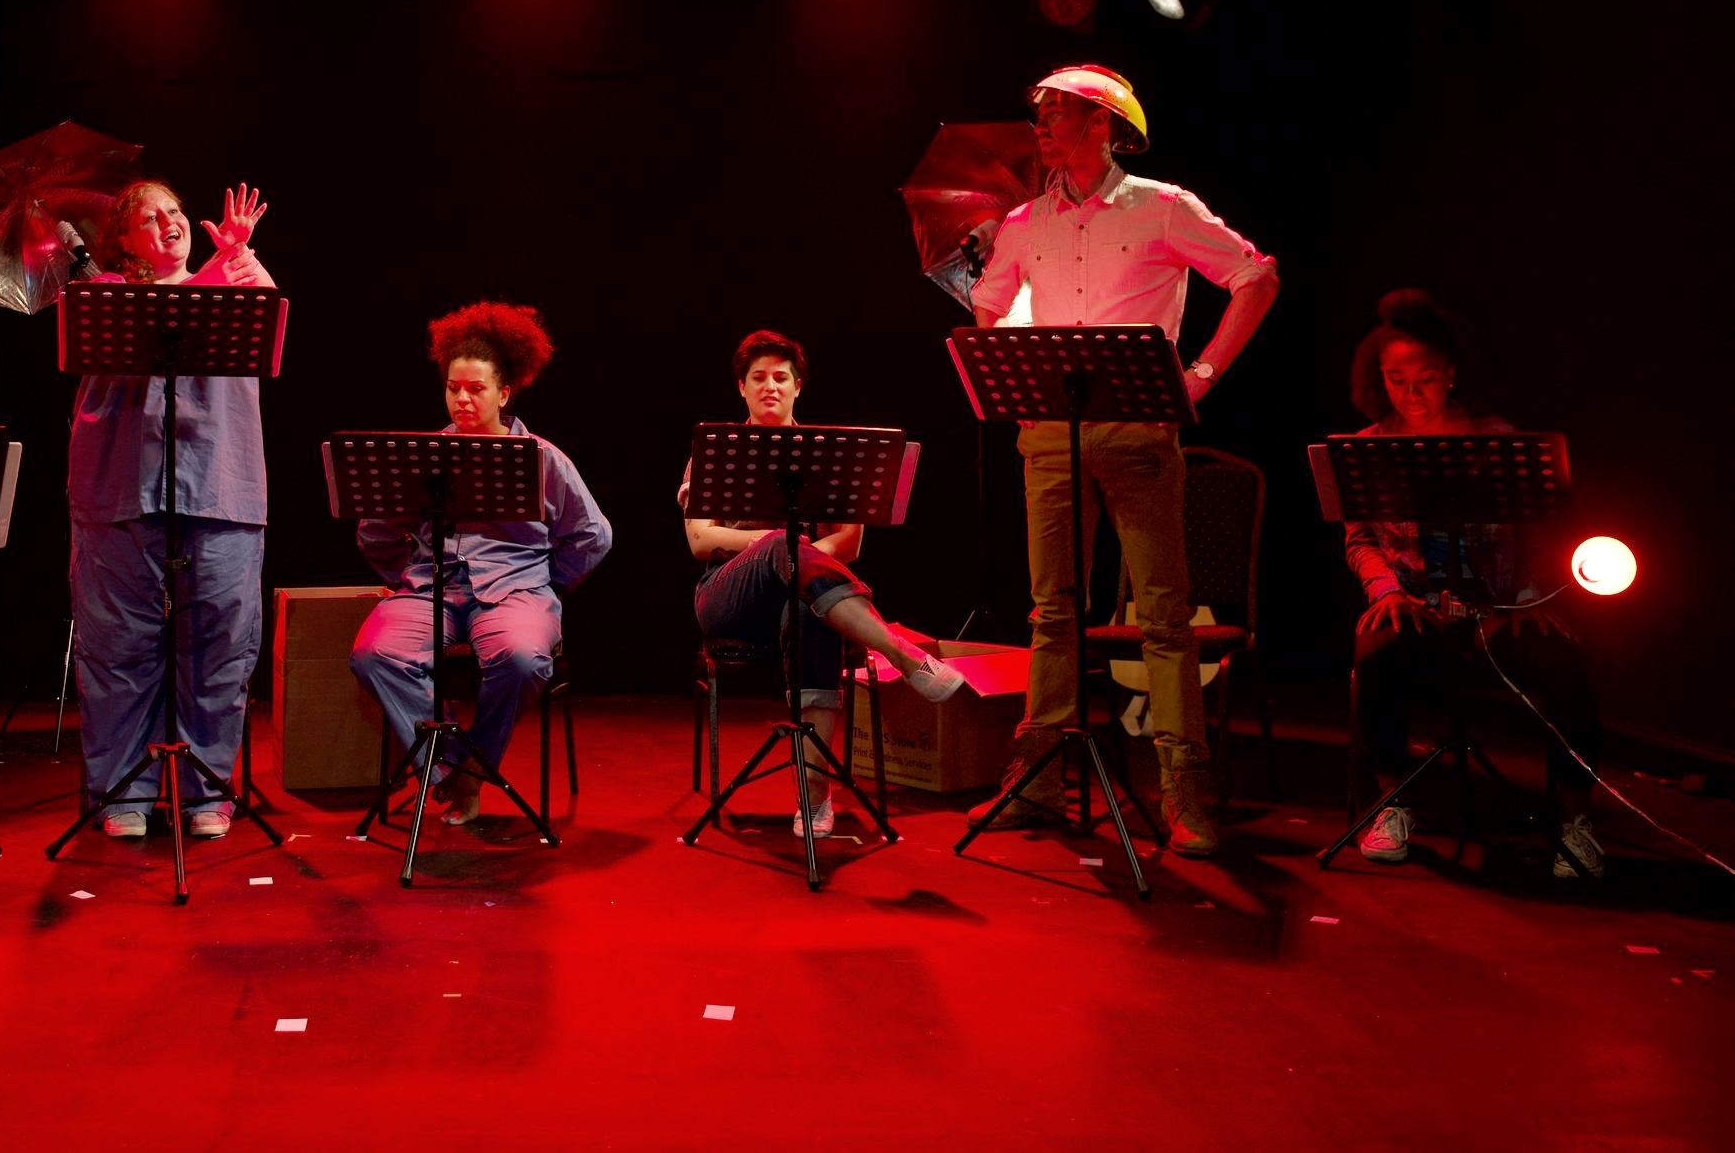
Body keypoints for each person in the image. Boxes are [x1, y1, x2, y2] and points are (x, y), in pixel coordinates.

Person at [968, 64, 1279, 856]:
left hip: (1139, 429)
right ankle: (1037, 777)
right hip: (1048, 432)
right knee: (1052, 610)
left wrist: (1202, 372)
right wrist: (996, 285)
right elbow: (987, 308)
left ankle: (1184, 789)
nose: (1040, 124)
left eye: (1057, 112)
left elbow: (1256, 275)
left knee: (1163, 614)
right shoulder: (1023, 221)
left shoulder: (1162, 207)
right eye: (1037, 111)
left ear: (1103, 123)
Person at [1341, 289, 1606, 878]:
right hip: (1420, 608)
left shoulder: (1497, 438)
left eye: (1427, 379)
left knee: (1566, 665)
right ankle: (1392, 804)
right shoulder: (1368, 449)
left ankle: (1574, 823)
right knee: (1378, 655)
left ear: (1452, 374)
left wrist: (1529, 599)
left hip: (1499, 611)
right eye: (1396, 380)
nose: (1412, 394)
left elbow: (1541, 527)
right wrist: (1385, 592)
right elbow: (1360, 538)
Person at [683, 330, 966, 836]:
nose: (770, 386)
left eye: (781, 377)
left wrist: (797, 558)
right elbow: (702, 541)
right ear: (741, 389)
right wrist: (781, 546)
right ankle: (900, 651)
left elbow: (851, 545)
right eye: (758, 378)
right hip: (729, 597)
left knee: (814, 614)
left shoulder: (833, 453)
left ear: (797, 388)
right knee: (780, 544)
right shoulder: (716, 449)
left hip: (812, 598)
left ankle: (813, 801)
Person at [351, 303, 612, 825]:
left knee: (521, 659)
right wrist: (408, 574)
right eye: (454, 388)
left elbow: (593, 535)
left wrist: (545, 583)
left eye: (476, 389)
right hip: (431, 589)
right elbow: (374, 531)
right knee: (374, 653)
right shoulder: (423, 456)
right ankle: (451, 769)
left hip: (516, 593)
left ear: (504, 393)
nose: (462, 399)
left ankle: (474, 769)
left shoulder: (541, 456)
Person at [69, 180, 275, 840]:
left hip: (221, 484)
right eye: (148, 218)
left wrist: (235, 262)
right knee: (117, 647)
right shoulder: (103, 295)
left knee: (221, 642)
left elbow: (270, 336)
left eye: (176, 212)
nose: (168, 224)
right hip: (121, 490)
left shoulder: (236, 275)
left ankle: (204, 787)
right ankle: (122, 790)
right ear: (123, 241)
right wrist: (218, 268)